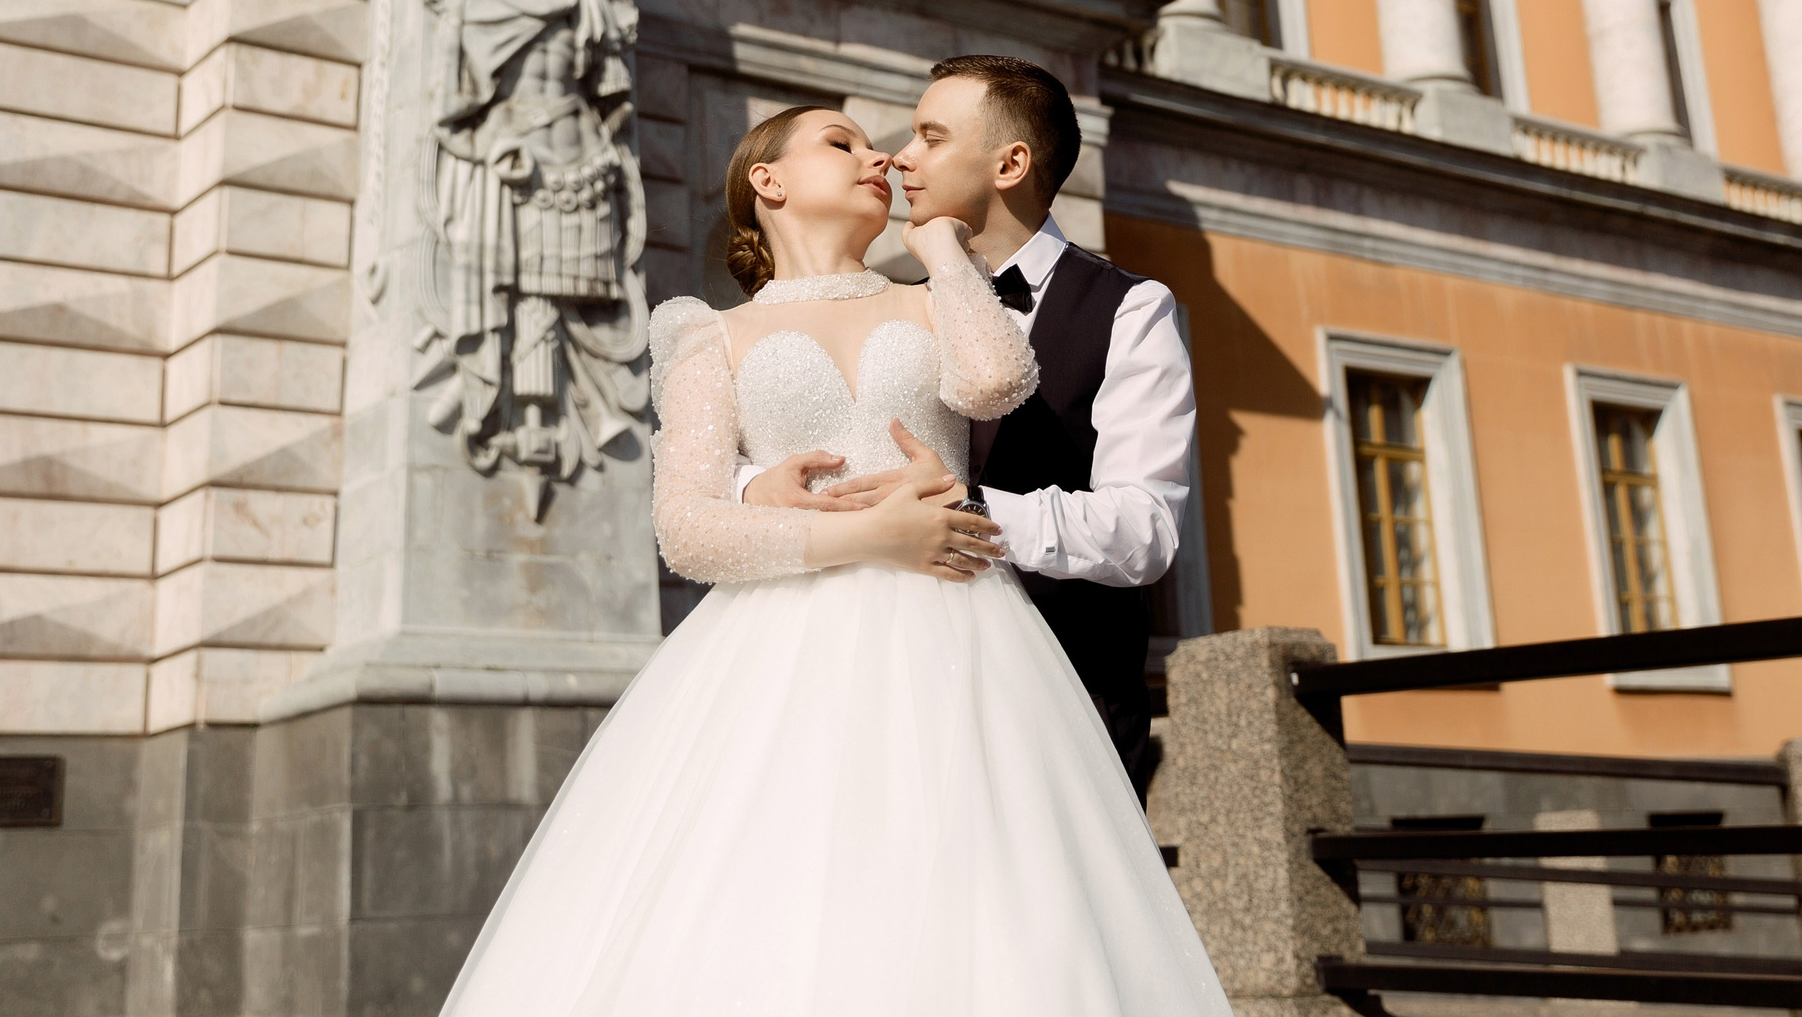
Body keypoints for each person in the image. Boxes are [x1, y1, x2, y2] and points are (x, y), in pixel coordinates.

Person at [440, 105, 1229, 1017]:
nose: (880, 158)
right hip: (782, 649)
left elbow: (997, 382)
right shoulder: (709, 334)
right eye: (841, 142)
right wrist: (844, 526)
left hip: (961, 636)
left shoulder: (934, 295)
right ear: (767, 181)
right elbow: (686, 529)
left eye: (879, 145)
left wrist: (940, 249)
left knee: (982, 901)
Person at [745, 56, 1192, 791]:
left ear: (1010, 162)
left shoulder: (1132, 310)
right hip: (902, 704)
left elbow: (1145, 529)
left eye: (931, 136)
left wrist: (973, 514)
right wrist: (753, 483)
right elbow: (816, 440)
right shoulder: (897, 309)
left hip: (1067, 714)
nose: (898, 157)